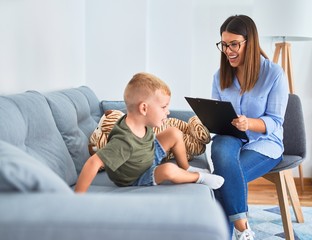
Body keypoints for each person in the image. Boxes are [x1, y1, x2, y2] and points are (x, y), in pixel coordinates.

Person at [75, 72, 224, 193]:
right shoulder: (123, 141)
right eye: (164, 107)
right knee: (168, 170)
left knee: (174, 132)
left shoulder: (140, 121)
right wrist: (78, 198)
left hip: (146, 155)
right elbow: (93, 162)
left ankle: (186, 167)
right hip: (137, 176)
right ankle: (197, 177)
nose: (168, 112)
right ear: (144, 109)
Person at [211, 15, 289, 240]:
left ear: (250, 42)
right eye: (224, 44)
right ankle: (243, 229)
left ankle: (229, 233)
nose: (228, 51)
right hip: (231, 137)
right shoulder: (219, 76)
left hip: (265, 143)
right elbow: (218, 113)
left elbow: (275, 120)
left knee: (223, 180)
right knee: (221, 148)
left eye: (234, 44)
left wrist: (249, 123)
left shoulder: (273, 74)